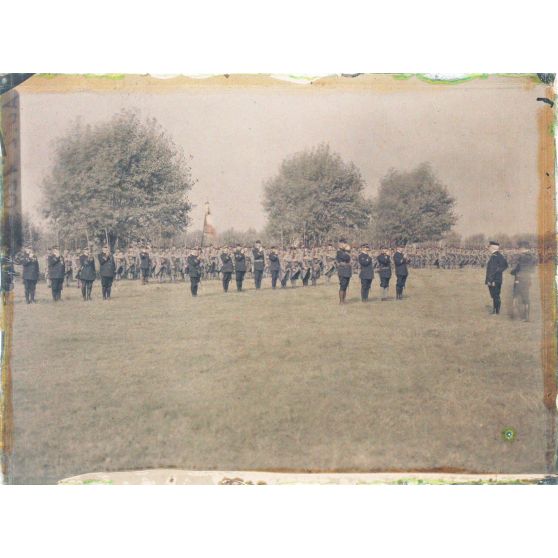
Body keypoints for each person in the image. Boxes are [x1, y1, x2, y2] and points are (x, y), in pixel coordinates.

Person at [510, 241, 535, 321]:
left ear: (523, 248)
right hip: (527, 278)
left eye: (519, 248)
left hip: (519, 278)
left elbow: (518, 267)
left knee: (515, 295)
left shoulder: (522, 257)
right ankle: (526, 316)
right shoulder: (532, 256)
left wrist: (512, 272)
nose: (518, 250)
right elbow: (532, 269)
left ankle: (515, 315)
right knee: (526, 297)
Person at [485, 240, 508, 315]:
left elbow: (493, 269)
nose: (488, 248)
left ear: (492, 248)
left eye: (489, 247)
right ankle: (495, 311)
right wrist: (499, 271)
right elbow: (505, 265)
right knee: (495, 295)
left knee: (495, 295)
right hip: (496, 279)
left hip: (494, 280)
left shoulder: (496, 256)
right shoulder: (498, 255)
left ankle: (496, 312)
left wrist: (491, 279)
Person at [336, 239, 352, 304]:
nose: (343, 245)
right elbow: (345, 258)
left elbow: (350, 258)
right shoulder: (339, 252)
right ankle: (341, 301)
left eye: (344, 244)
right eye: (342, 243)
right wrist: (347, 251)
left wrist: (348, 251)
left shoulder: (345, 251)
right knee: (342, 285)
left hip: (347, 270)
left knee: (345, 285)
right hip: (342, 270)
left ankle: (344, 300)